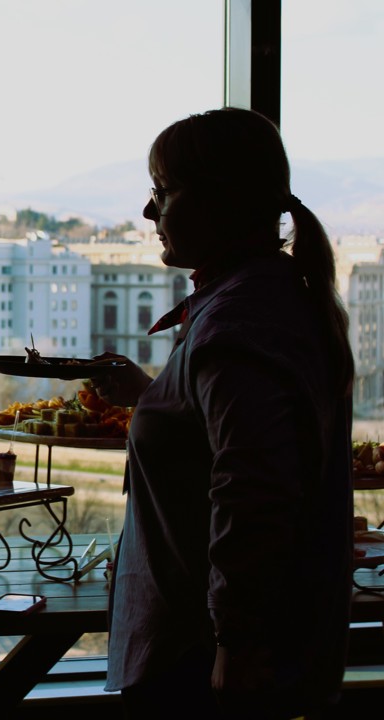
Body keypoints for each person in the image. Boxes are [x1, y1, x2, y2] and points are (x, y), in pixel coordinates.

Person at [100, 107, 354, 718]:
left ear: (219, 200)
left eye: (163, 191)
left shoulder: (239, 321)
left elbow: (254, 489)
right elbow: (222, 435)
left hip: (200, 658)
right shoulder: (259, 296)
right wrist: (151, 396)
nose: (147, 211)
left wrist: (236, 638)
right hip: (206, 645)